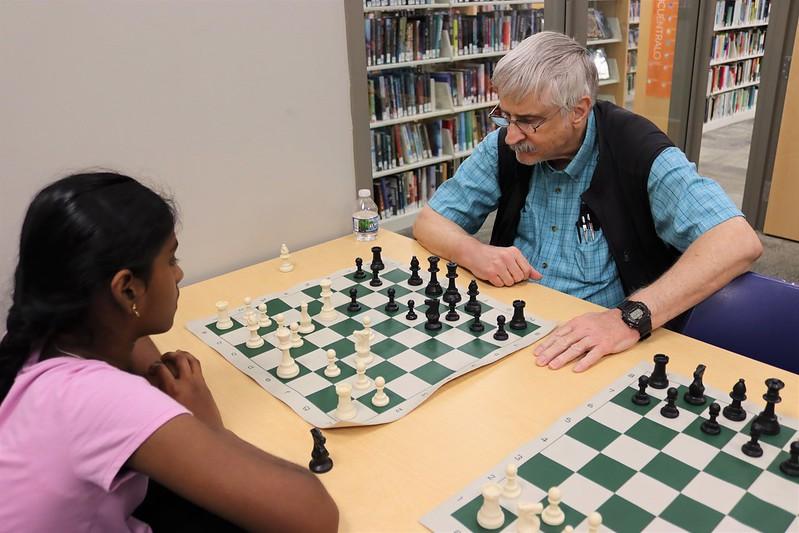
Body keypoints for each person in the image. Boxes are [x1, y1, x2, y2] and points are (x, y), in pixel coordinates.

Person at [0, 172, 338, 531]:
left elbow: (133, 342)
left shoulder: (42, 336)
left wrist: (159, 373)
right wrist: (209, 428)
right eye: (171, 259)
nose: (178, 275)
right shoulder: (94, 398)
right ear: (127, 290)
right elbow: (315, 516)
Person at [413, 31, 762, 373]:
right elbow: (429, 222)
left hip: (599, 351)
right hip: (513, 329)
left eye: (528, 121)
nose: (512, 135)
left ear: (578, 110)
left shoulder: (638, 152)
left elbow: (737, 241)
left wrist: (630, 317)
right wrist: (474, 252)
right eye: (505, 116)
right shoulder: (505, 145)